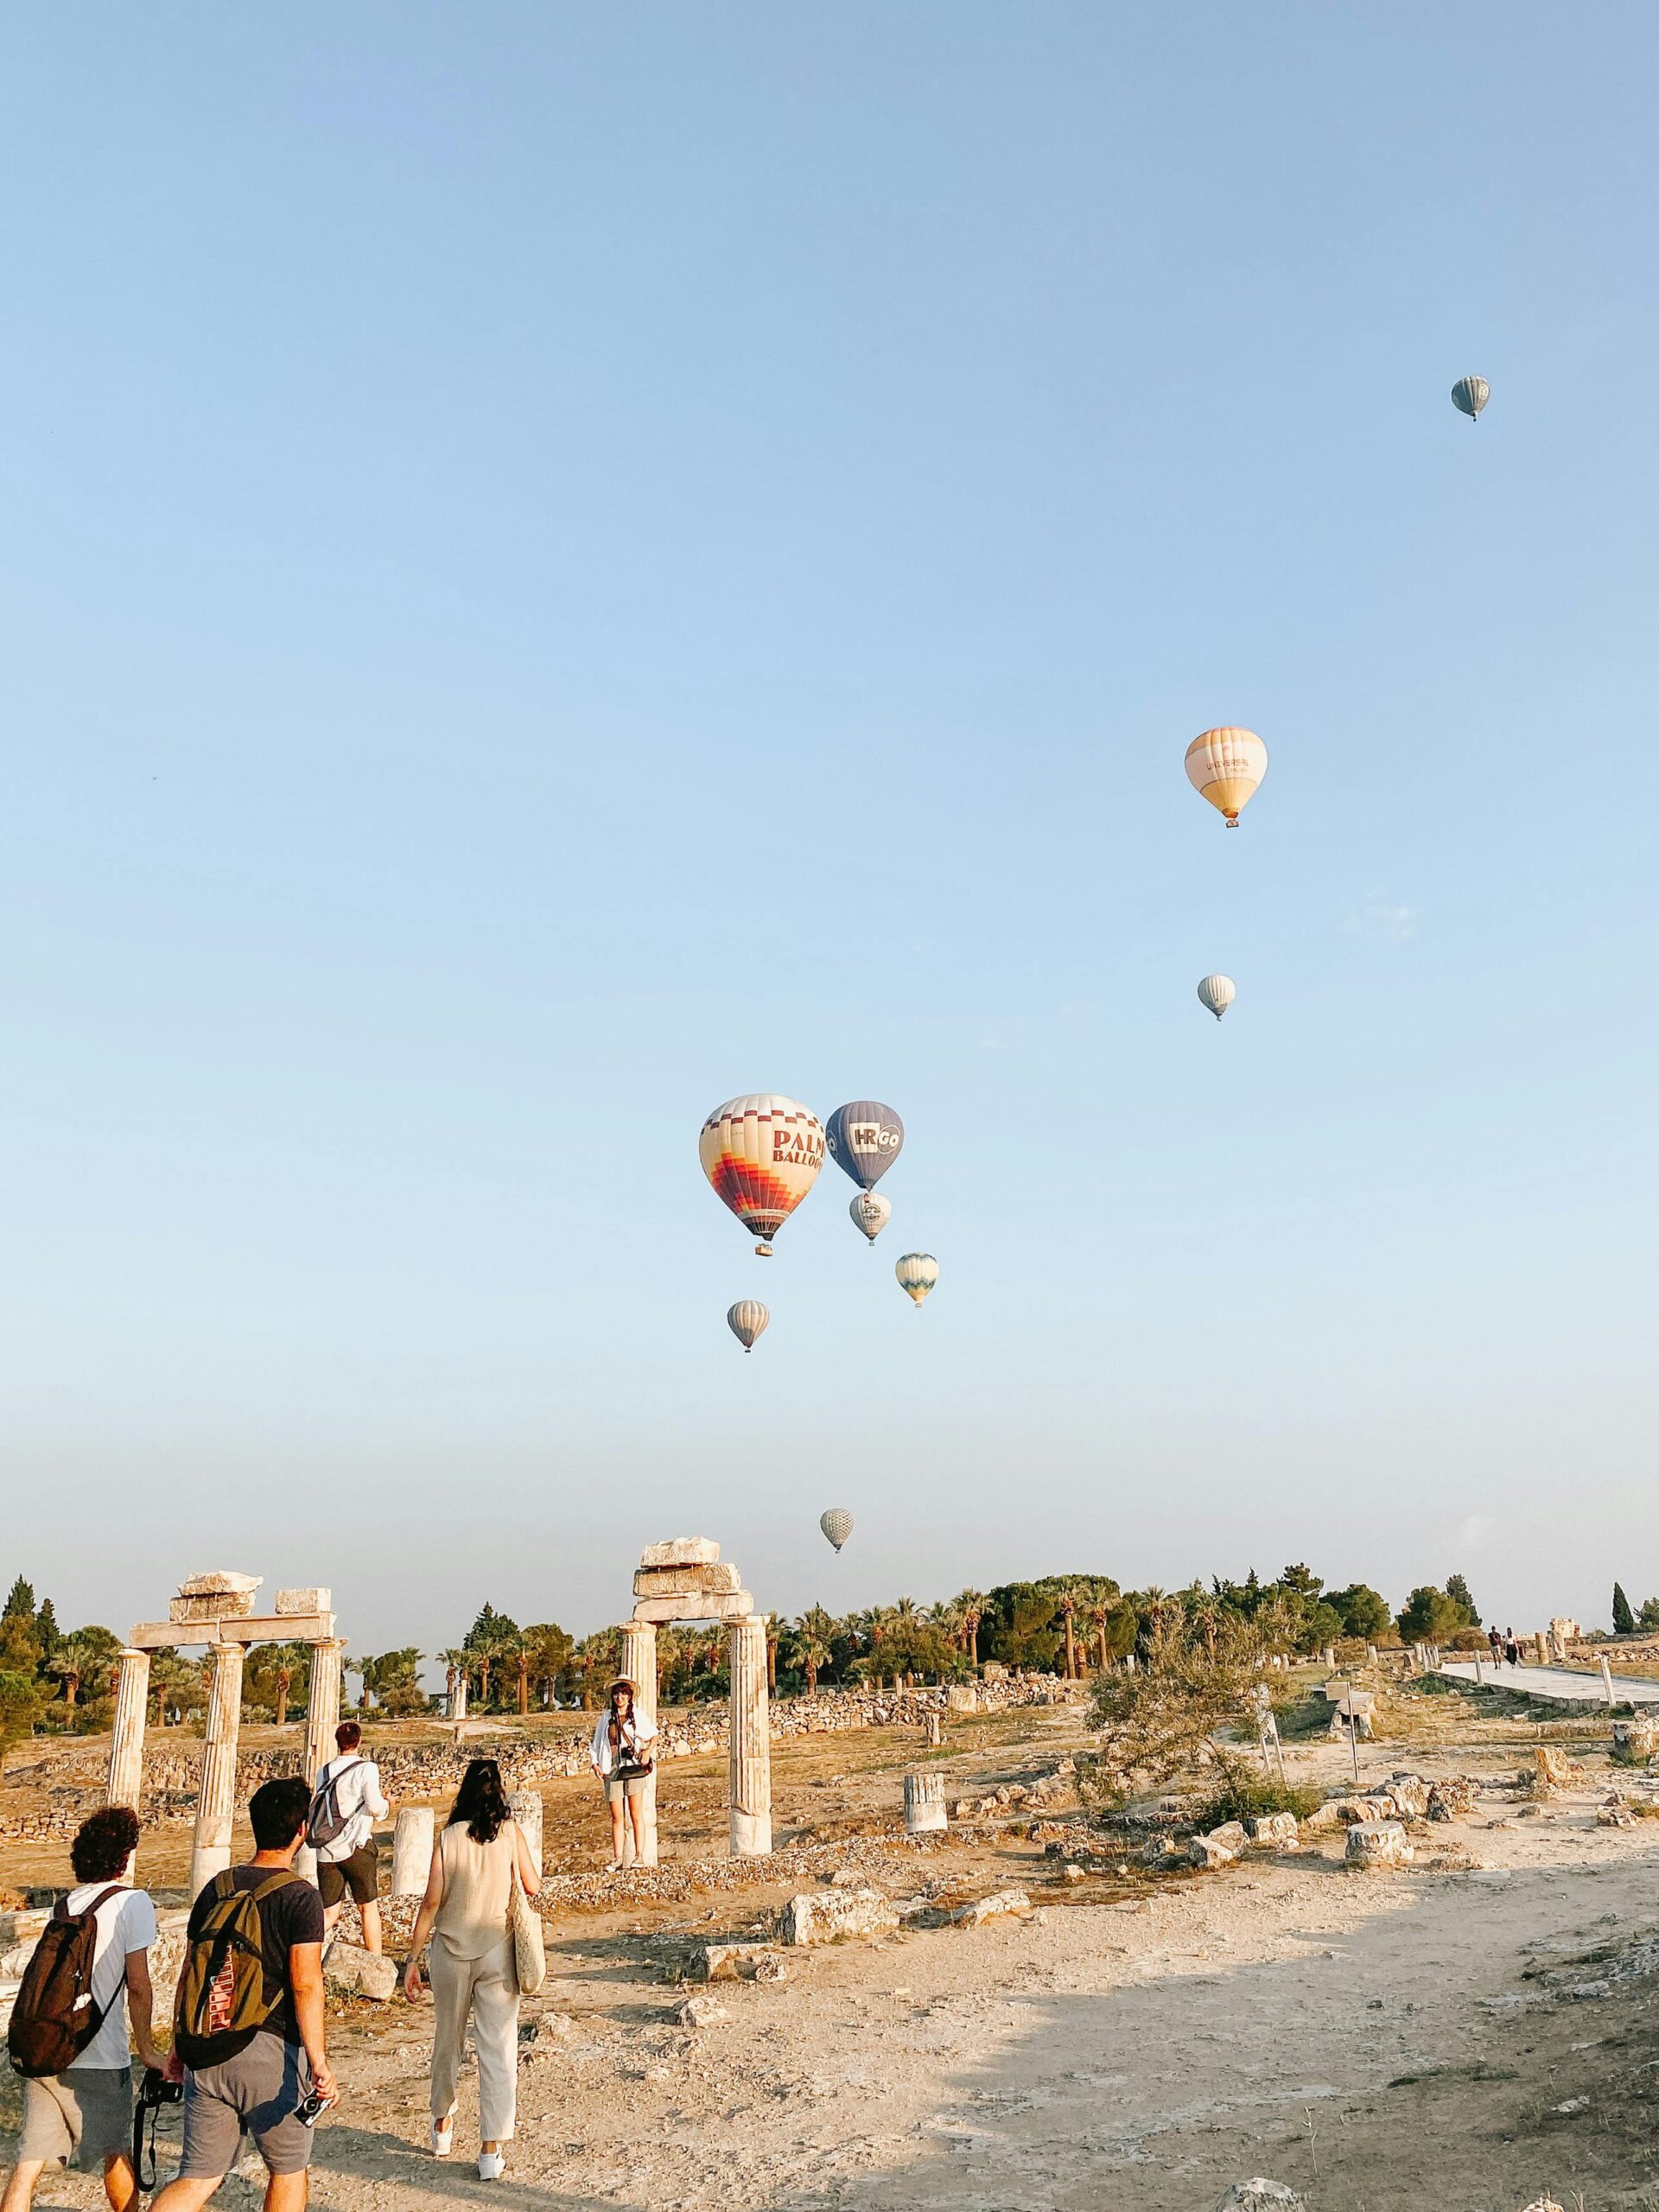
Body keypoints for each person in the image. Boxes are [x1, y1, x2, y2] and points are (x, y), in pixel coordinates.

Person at [152, 1777, 336, 2212]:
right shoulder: (300, 1896)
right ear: (302, 1830)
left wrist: (179, 2044)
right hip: (268, 2051)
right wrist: (319, 2061)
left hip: (207, 2047)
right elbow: (305, 1984)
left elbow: (190, 1971)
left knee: (198, 2177)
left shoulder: (217, 1887)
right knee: (287, 2171)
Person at [1, 1806, 163, 2212]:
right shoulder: (133, 1902)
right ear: (124, 1856)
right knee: (116, 2154)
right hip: (99, 2055)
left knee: (27, 2167)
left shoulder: (66, 1906)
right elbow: (139, 1986)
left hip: (47, 2048)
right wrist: (148, 2050)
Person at [403, 1758, 539, 2183]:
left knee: (448, 2039)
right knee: (497, 2048)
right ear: (499, 1792)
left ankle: (442, 2123)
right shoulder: (510, 1833)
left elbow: (430, 1903)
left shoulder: (448, 1838)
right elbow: (533, 1885)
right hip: (497, 1949)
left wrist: (412, 1959)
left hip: (450, 1951)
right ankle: (490, 2149)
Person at [309, 1720, 390, 1954]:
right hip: (356, 1846)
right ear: (359, 1741)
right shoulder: (366, 1768)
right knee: (368, 1908)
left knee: (329, 1913)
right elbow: (374, 1806)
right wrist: (387, 1805)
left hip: (326, 1850)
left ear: (338, 1742)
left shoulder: (323, 1771)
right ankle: (376, 1963)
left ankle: (297, 1949)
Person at [589, 1676, 658, 1872]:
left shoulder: (637, 1715)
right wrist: (595, 1764)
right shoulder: (606, 1718)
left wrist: (647, 1751)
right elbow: (596, 1744)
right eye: (617, 1693)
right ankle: (617, 1858)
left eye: (624, 1693)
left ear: (630, 1696)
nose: (620, 1697)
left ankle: (639, 1855)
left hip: (633, 1767)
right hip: (611, 1769)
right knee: (617, 1816)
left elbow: (654, 1735)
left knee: (636, 1812)